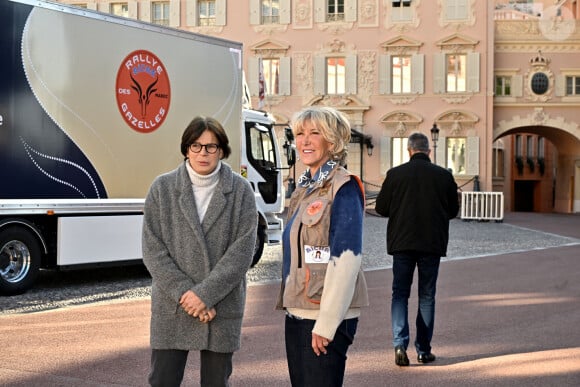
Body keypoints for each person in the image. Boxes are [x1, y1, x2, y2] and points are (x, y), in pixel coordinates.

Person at [142, 116, 258, 386]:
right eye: (196, 146)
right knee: (162, 380)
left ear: (222, 150)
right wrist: (187, 295)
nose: (203, 153)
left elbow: (242, 251)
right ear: (186, 148)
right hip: (173, 303)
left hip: (220, 304)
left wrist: (205, 295)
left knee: (216, 383)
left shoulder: (240, 191)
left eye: (211, 146)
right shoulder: (163, 188)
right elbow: (153, 250)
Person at [276, 106, 369, 386]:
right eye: (300, 133)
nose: (304, 141)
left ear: (332, 140)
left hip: (324, 318)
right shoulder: (305, 188)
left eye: (314, 133)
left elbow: (346, 260)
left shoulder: (343, 187)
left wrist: (327, 324)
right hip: (299, 312)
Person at [374, 131, 459, 367]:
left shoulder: (395, 174)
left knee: (400, 294)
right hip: (432, 243)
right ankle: (423, 350)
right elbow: (453, 211)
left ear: (409, 150)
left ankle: (400, 344)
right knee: (427, 296)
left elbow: (381, 208)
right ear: (428, 150)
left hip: (402, 242)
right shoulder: (444, 176)